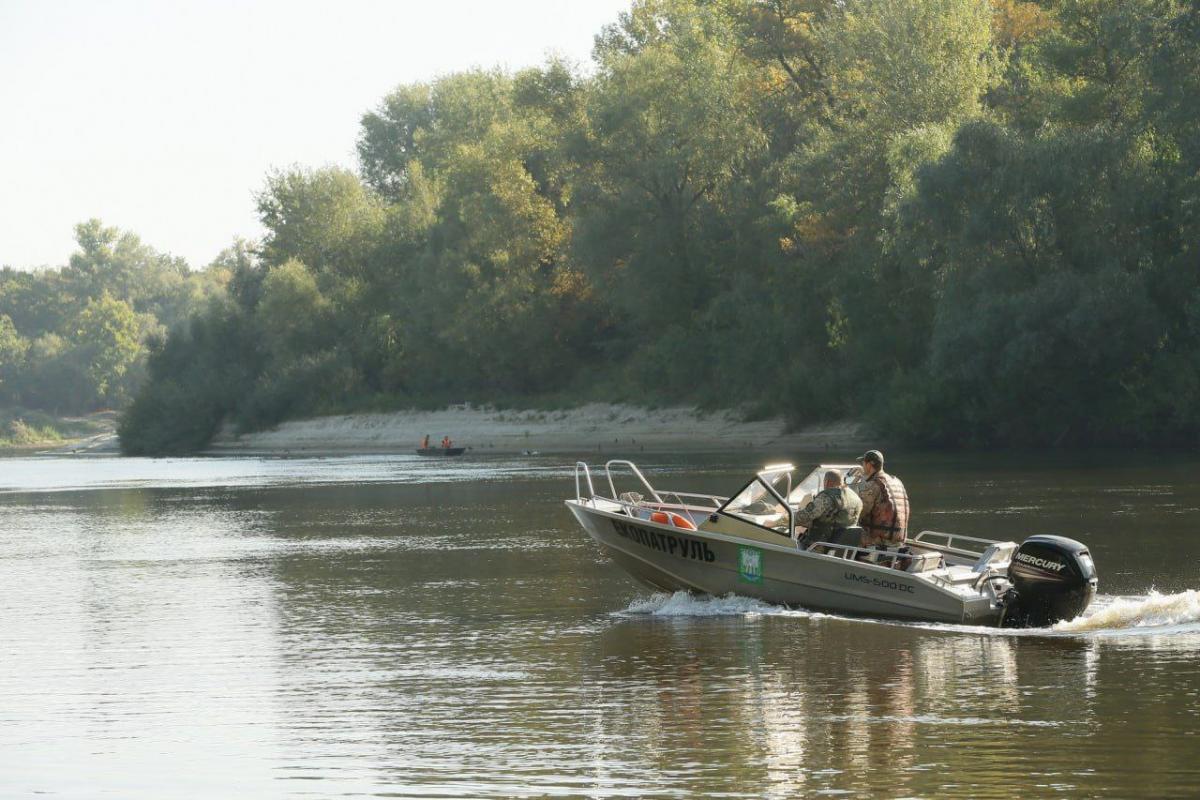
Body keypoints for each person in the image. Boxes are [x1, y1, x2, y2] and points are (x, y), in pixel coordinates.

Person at [794, 470, 862, 549]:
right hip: (841, 548)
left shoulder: (828, 496)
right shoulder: (856, 499)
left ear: (827, 482)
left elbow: (804, 517)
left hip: (819, 547)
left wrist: (786, 519)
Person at [855, 450, 910, 547]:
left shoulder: (873, 484)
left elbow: (860, 511)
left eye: (863, 462)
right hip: (900, 538)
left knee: (843, 534)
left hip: (879, 540)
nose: (862, 466)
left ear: (870, 464)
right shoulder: (896, 481)